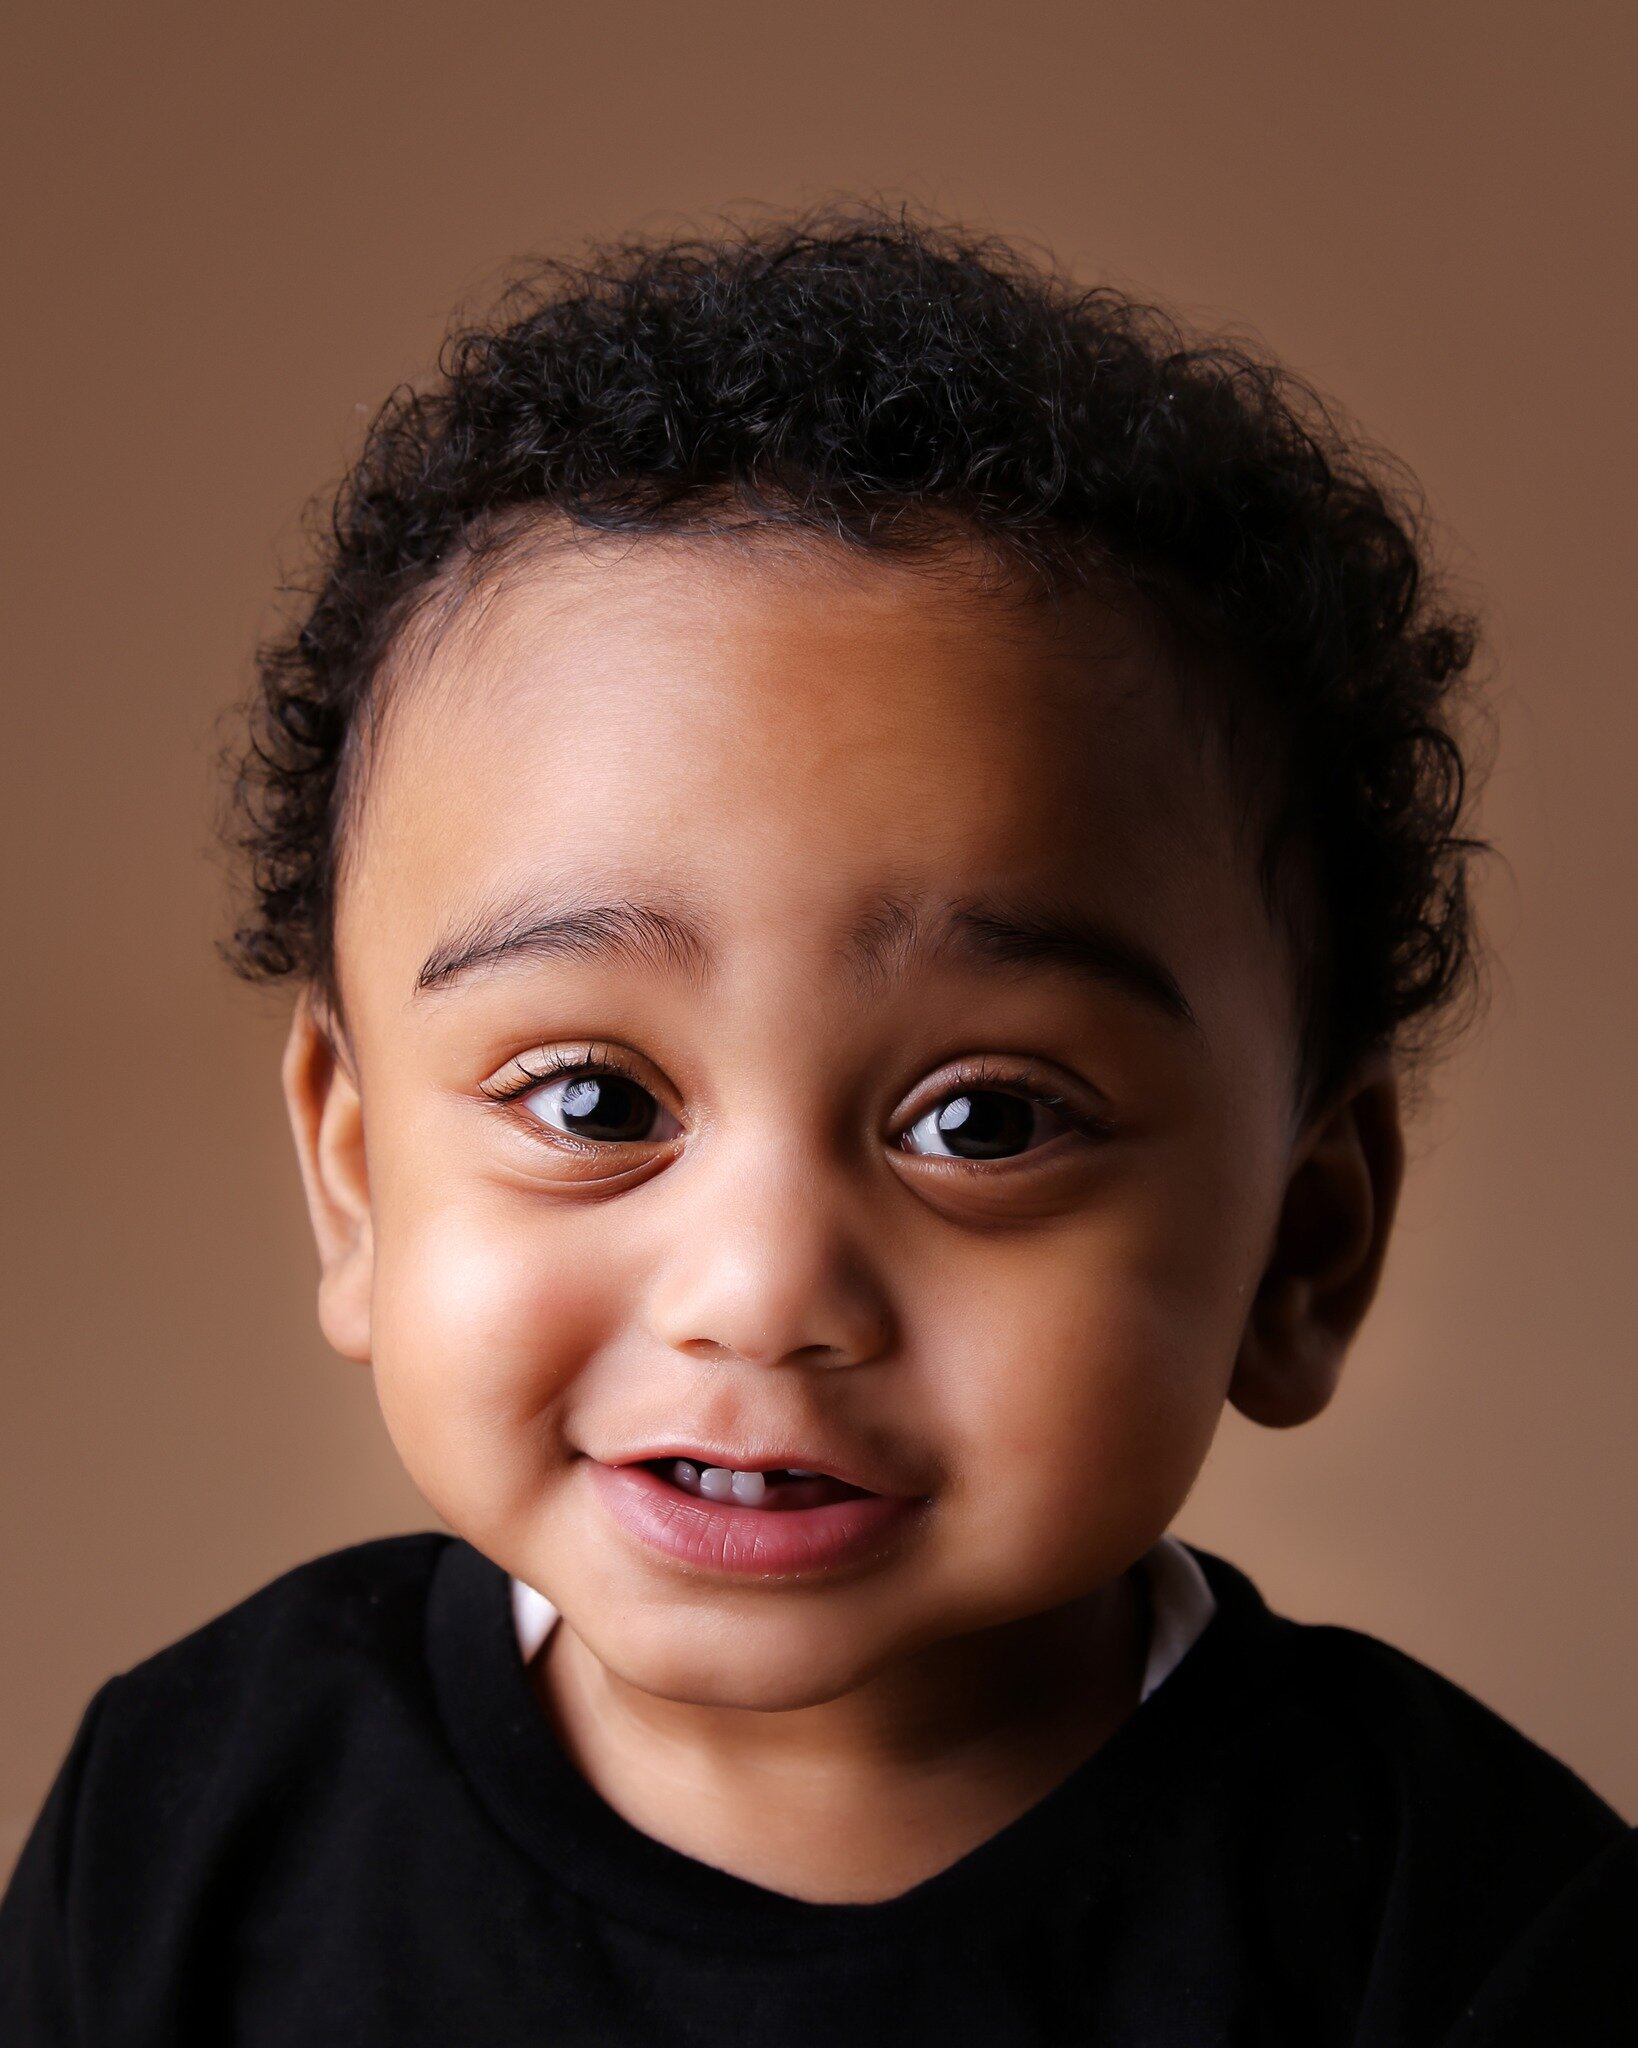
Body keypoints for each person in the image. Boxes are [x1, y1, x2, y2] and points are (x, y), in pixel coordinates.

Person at [1, 211, 1630, 2045]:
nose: (762, 1292)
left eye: (984, 1120)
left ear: (1300, 1245)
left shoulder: (1461, 1930)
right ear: (359, 1176)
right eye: (596, 1102)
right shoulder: (192, 1819)